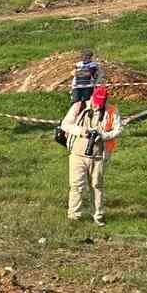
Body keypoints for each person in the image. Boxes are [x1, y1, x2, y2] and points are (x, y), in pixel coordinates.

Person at [61, 84, 121, 225]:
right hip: (77, 154)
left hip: (98, 156)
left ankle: (98, 216)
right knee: (77, 186)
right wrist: (82, 131)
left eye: (101, 104)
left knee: (97, 186)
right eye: (96, 103)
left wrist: (103, 136)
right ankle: (74, 216)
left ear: (105, 101)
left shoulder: (112, 111)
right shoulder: (79, 106)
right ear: (92, 98)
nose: (97, 107)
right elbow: (65, 124)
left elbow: (118, 130)